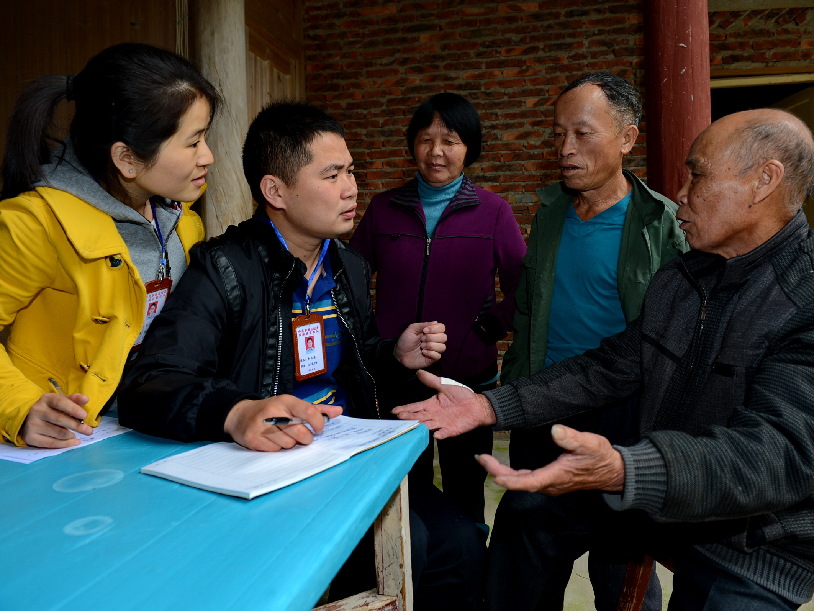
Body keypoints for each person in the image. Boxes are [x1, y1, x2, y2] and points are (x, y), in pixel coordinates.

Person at [394, 109, 814, 610]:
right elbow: (610, 367)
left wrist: (627, 469)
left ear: (763, 181)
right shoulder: (686, 277)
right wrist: (490, 406)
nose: (683, 194)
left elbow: (776, 456)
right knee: (528, 511)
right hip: (665, 493)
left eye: (698, 174)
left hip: (754, 539)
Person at [119, 101, 486, 610]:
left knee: (464, 542)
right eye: (331, 174)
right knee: (412, 547)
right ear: (275, 191)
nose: (351, 187)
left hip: (346, 454)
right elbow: (151, 381)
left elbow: (349, 364)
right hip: (271, 466)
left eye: (351, 171)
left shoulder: (349, 267)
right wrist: (237, 411)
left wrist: (394, 357)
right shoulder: (224, 269)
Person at [500, 72, 686, 608]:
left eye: (582, 134)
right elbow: (529, 313)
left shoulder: (662, 225)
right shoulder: (551, 214)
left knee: (622, 580)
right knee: (521, 575)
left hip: (624, 424)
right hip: (543, 416)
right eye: (558, 135)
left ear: (626, 138)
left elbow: (678, 339)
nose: (565, 149)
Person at [0, 43, 219, 448]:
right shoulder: (33, 223)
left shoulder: (185, 224)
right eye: (192, 142)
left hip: (154, 427)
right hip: (66, 444)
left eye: (205, 137)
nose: (208, 156)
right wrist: (19, 406)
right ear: (127, 158)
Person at [350, 92, 526, 524]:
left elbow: (526, 287)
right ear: (412, 144)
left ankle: (468, 579)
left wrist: (488, 330)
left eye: (450, 140)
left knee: (467, 489)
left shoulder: (493, 212)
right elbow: (348, 278)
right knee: (404, 492)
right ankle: (417, 574)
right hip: (396, 376)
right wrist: (375, 336)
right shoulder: (384, 209)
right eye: (426, 139)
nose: (436, 151)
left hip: (465, 381)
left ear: (469, 147)